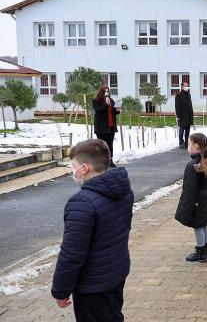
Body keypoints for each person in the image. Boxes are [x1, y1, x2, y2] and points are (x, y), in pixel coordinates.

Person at [51, 139, 133, 321]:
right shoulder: (123, 190)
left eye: (74, 166)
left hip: (93, 284)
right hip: (116, 271)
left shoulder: (82, 203)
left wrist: (60, 289)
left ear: (85, 168)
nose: (73, 170)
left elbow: (72, 253)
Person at [174, 133, 207, 262]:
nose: (188, 147)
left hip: (196, 202)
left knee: (198, 226)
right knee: (203, 225)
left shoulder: (194, 165)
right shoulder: (206, 160)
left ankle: (201, 251)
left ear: (196, 146)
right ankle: (206, 251)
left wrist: (186, 208)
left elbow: (189, 190)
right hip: (204, 200)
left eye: (189, 144)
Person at [92, 86, 120, 168]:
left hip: (110, 126)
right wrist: (106, 104)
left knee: (110, 144)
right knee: (102, 145)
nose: (107, 93)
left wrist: (117, 110)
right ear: (101, 92)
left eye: (108, 91)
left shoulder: (111, 100)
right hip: (101, 127)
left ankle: (110, 161)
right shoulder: (96, 101)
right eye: (105, 92)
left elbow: (113, 112)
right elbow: (98, 110)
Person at [175, 81, 194, 149]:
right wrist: (178, 116)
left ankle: (186, 143)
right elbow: (177, 106)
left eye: (187, 85)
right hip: (182, 116)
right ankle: (181, 143)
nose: (187, 87)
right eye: (185, 86)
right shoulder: (178, 95)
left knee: (187, 131)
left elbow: (190, 105)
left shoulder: (188, 94)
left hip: (188, 116)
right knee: (181, 130)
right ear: (182, 87)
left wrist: (191, 114)